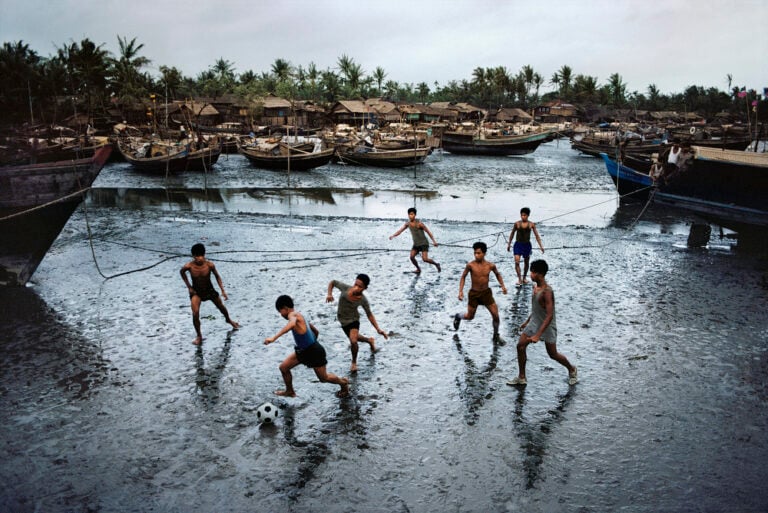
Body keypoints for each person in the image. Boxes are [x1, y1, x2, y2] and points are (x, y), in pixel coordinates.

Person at [506, 259, 577, 387]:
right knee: (520, 346)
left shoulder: (547, 292)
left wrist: (538, 335)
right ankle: (521, 377)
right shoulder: (535, 287)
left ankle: (572, 369)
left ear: (540, 274)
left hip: (547, 326)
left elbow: (549, 316)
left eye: (532, 272)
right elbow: (535, 308)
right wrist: (527, 321)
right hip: (534, 322)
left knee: (553, 354)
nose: (530, 275)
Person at [264, 295, 349, 398]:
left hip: (314, 352)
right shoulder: (300, 316)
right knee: (284, 368)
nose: (280, 314)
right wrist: (310, 342)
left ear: (285, 308)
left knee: (323, 378)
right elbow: (316, 331)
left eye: (280, 311)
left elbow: (291, 324)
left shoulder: (292, 315)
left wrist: (274, 338)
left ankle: (343, 383)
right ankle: (290, 391)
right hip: (304, 350)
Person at [327, 274, 389, 372]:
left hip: (353, 320)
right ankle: (369, 340)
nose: (356, 288)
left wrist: (378, 329)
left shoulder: (362, 300)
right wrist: (329, 294)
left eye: (360, 286)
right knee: (355, 338)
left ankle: (354, 363)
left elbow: (369, 314)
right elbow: (333, 282)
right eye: (355, 284)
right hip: (342, 320)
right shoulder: (345, 288)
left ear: (365, 288)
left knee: (353, 341)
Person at [180, 243, 240, 345]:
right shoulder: (189, 266)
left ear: (204, 255)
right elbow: (182, 272)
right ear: (193, 256)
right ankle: (199, 335)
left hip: (209, 290)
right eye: (197, 256)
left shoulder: (209, 265)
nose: (199, 258)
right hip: (196, 292)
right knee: (195, 313)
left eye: (201, 256)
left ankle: (228, 320)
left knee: (221, 307)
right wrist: (189, 287)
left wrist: (223, 291)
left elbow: (217, 276)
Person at [454, 241, 508, 342]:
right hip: (474, 293)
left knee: (496, 316)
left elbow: (498, 274)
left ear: (484, 253)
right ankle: (458, 316)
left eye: (478, 253)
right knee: (470, 316)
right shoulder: (470, 265)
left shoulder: (490, 265)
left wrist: (503, 286)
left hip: (486, 293)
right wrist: (460, 291)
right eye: (475, 253)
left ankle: (496, 335)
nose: (476, 255)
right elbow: (463, 276)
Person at [389, 207, 441, 274]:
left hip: (424, 243)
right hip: (416, 244)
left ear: (415, 215)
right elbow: (400, 231)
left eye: (412, 214)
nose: (411, 216)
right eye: (410, 214)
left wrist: (434, 242)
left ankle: (436, 264)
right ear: (408, 215)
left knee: (425, 259)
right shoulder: (408, 224)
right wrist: (393, 236)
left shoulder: (419, 224)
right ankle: (418, 269)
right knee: (411, 257)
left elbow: (428, 232)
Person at [506, 207, 544, 287]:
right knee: (517, 261)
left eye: (525, 215)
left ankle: (524, 278)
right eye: (522, 215)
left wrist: (541, 246)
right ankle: (519, 279)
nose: (523, 217)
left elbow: (537, 235)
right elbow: (512, 234)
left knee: (526, 262)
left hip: (527, 245)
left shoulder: (531, 224)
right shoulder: (517, 224)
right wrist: (509, 244)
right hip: (518, 245)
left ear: (528, 215)